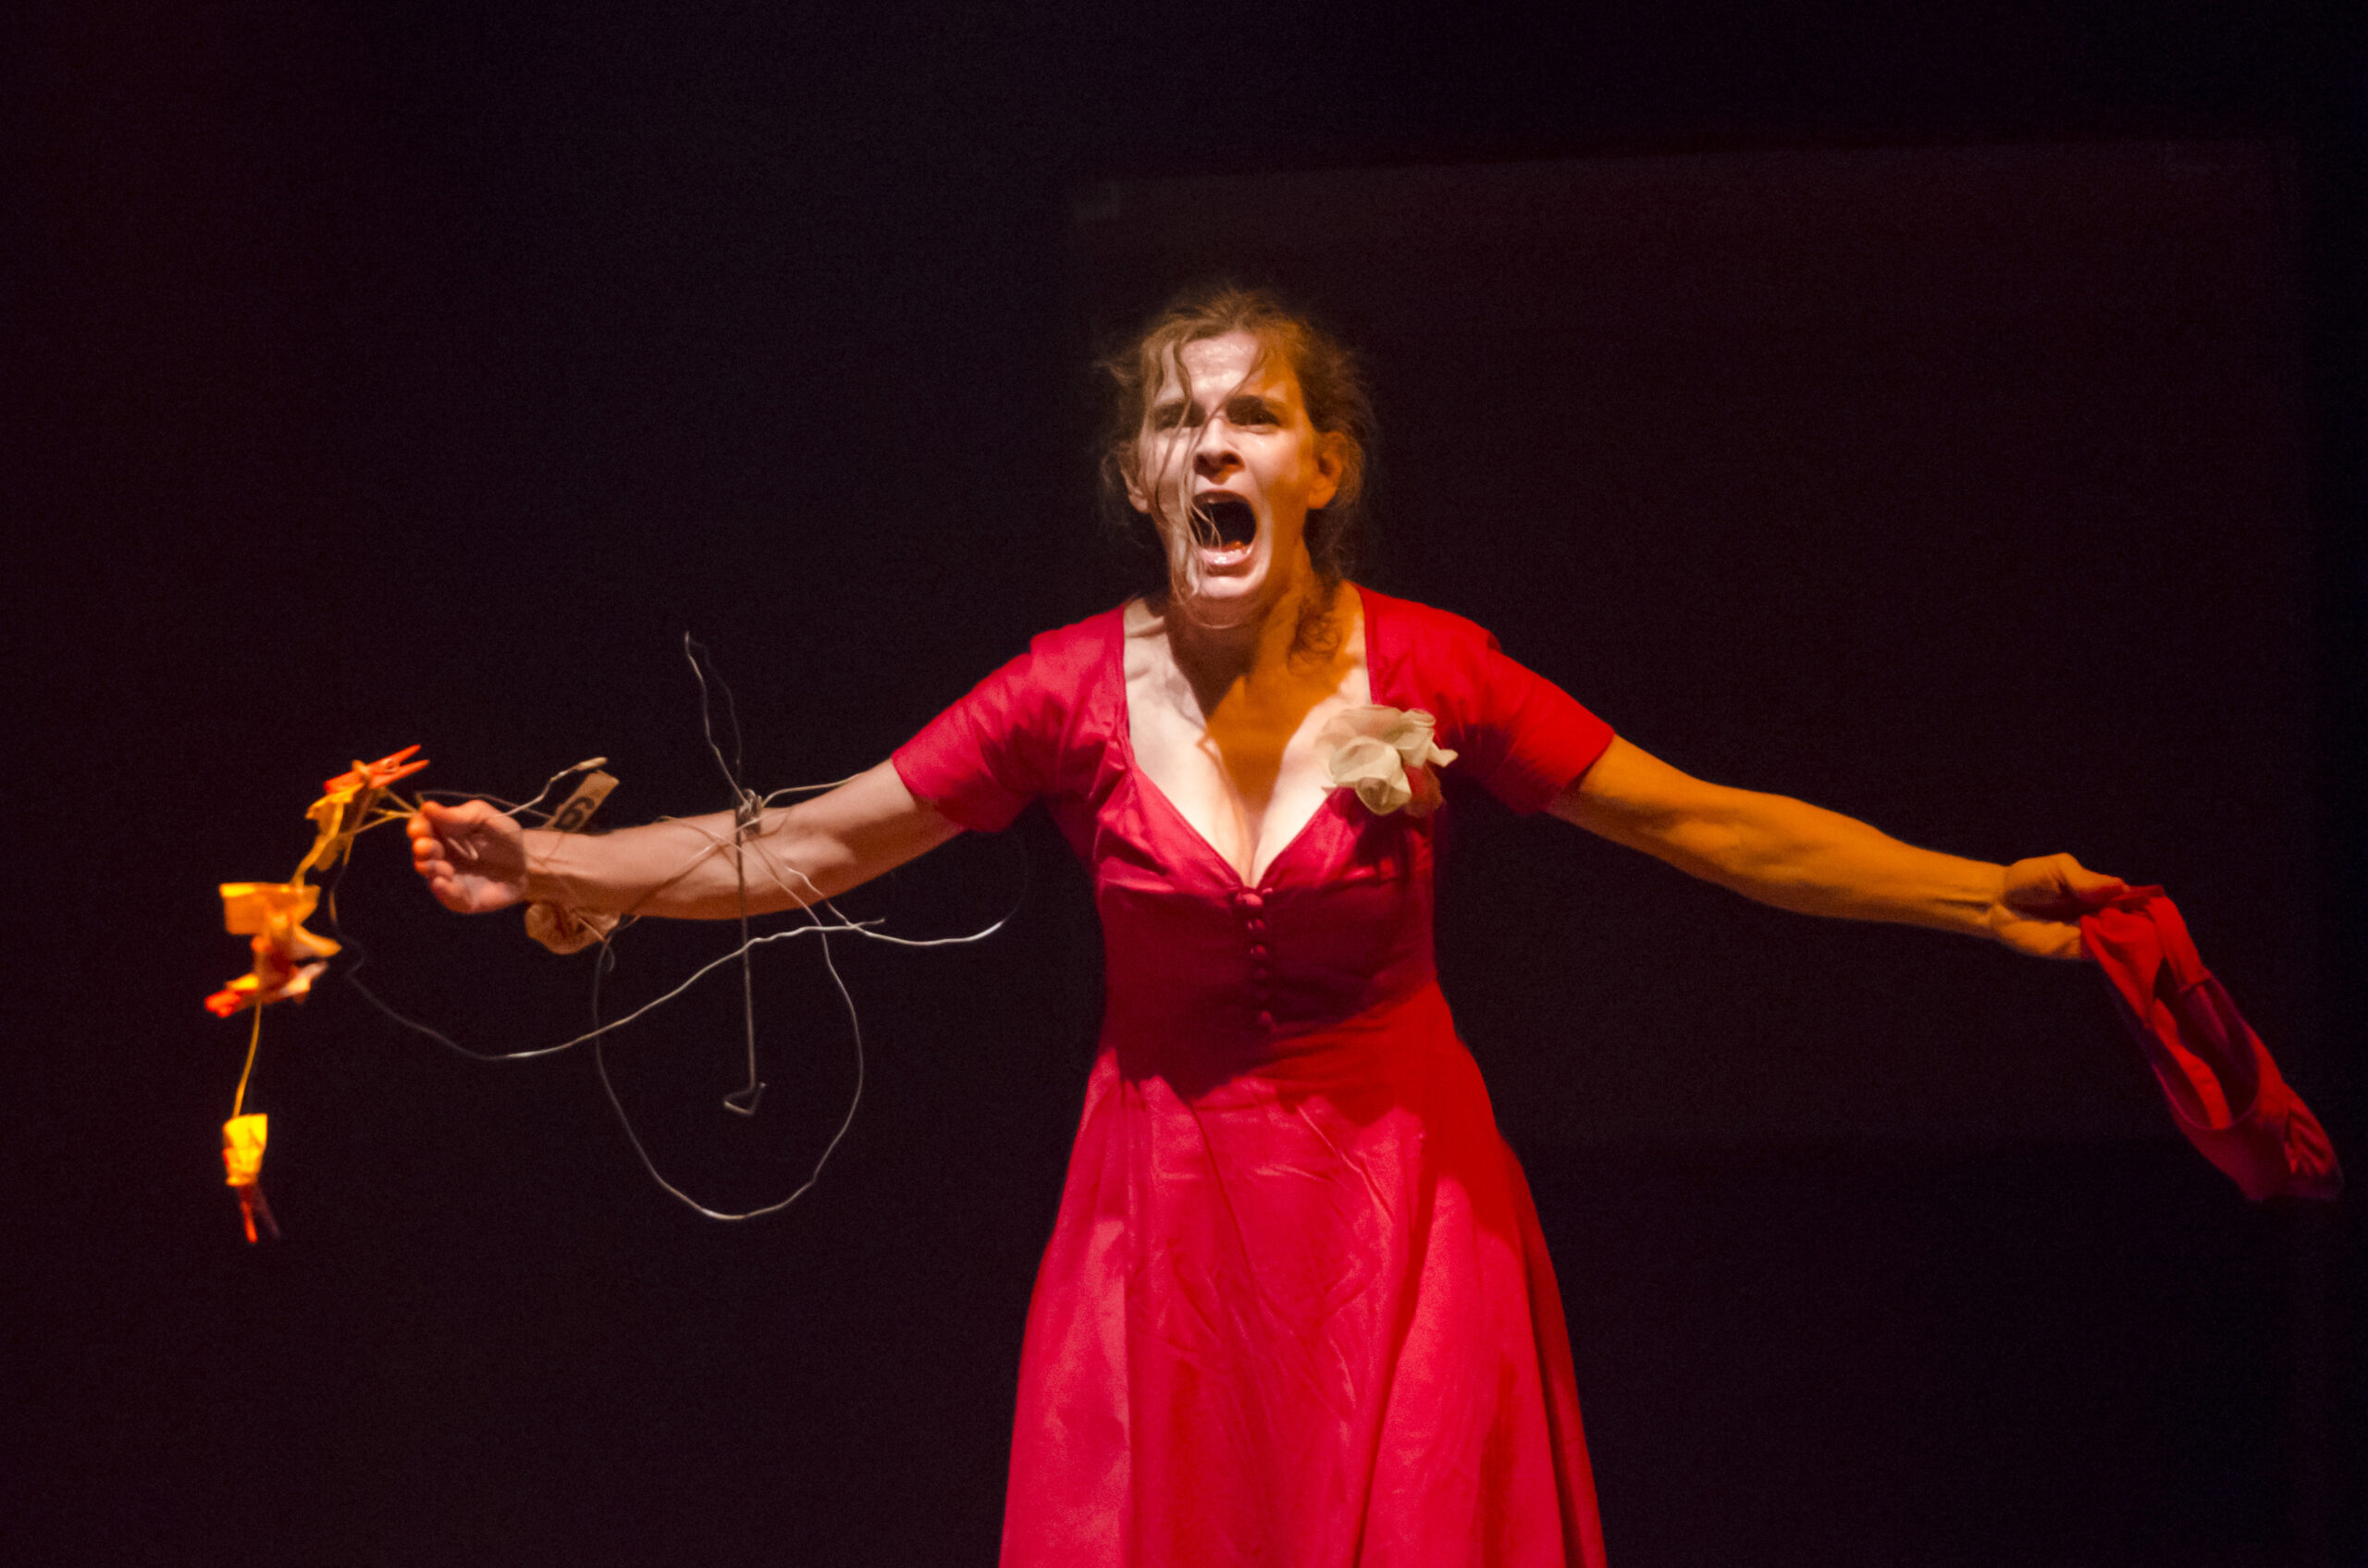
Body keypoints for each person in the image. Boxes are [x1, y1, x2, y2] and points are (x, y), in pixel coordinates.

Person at [410, 285, 2126, 1566]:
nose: (1211, 443)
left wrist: (1980, 898)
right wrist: (551, 871)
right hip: (1160, 1232)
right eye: (1175, 421)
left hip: (1407, 1216)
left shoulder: (1436, 671)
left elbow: (1704, 824)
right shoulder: (1063, 694)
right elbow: (814, 844)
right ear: (1139, 482)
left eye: (1252, 415)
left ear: (1324, 466)